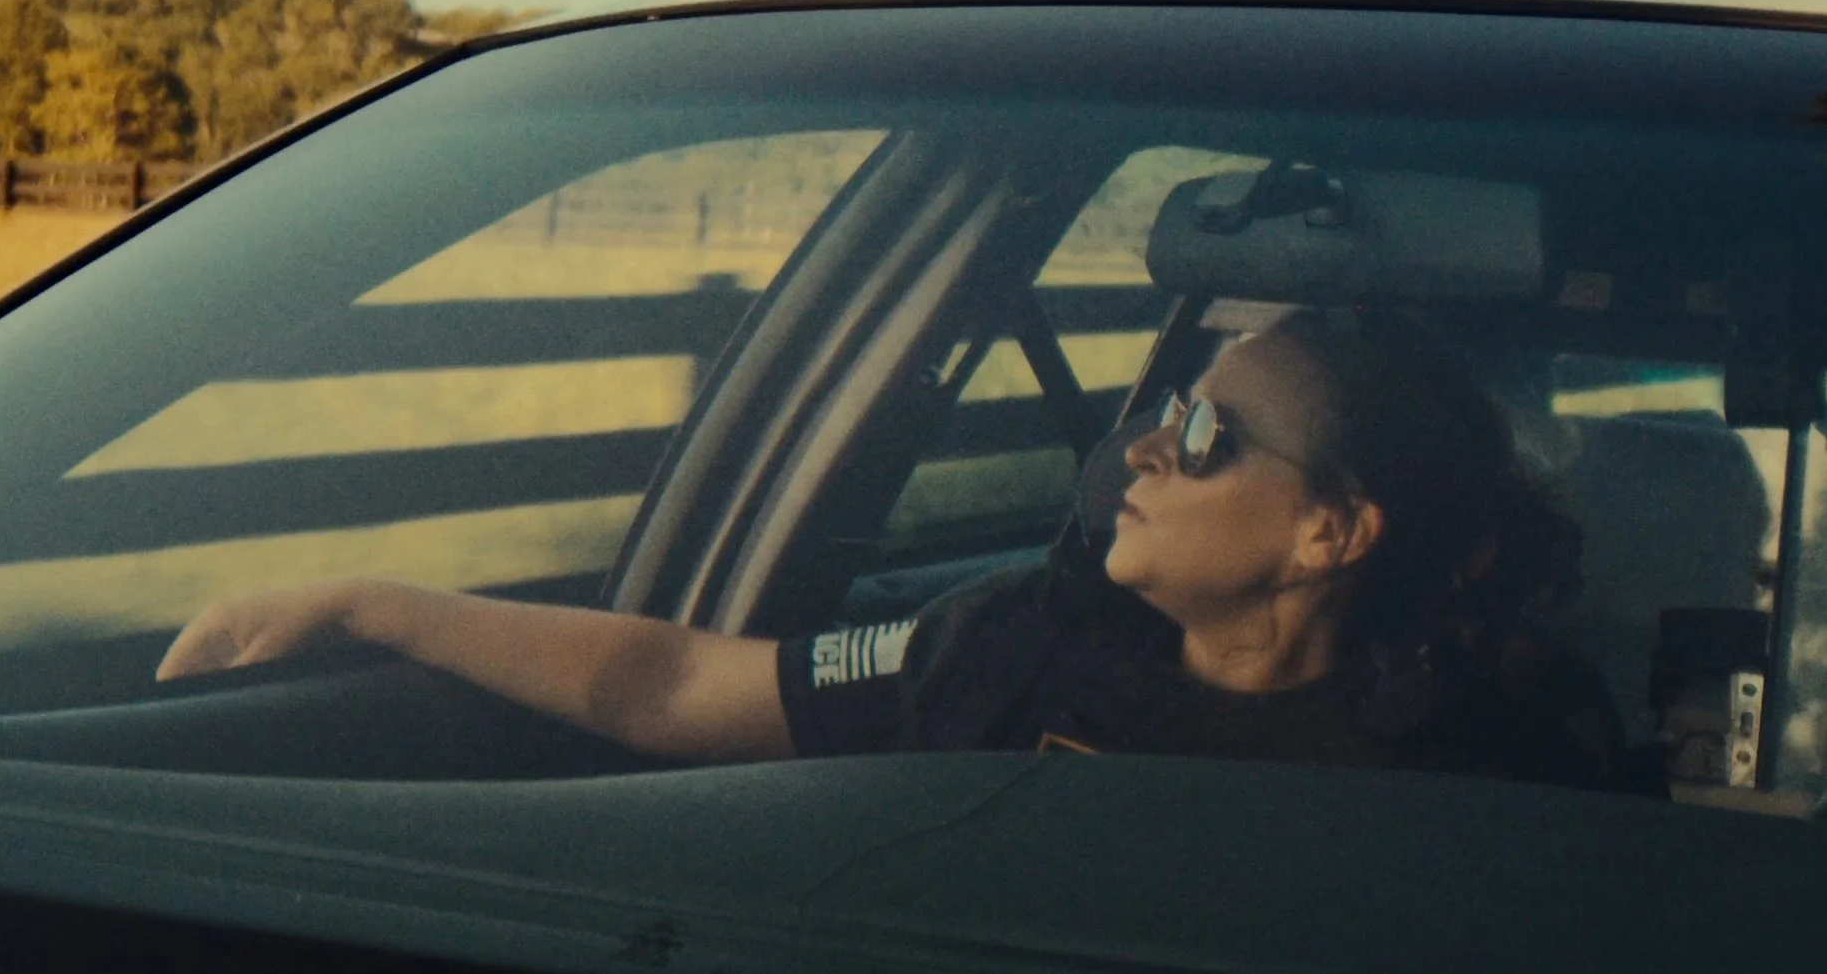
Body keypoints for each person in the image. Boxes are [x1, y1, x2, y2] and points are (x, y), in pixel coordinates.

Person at [158, 307, 1638, 791]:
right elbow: (676, 683)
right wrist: (374, 602)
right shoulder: (1013, 643)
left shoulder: (1504, 744)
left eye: (1203, 436)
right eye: (1160, 410)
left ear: (1332, 529)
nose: (1140, 448)